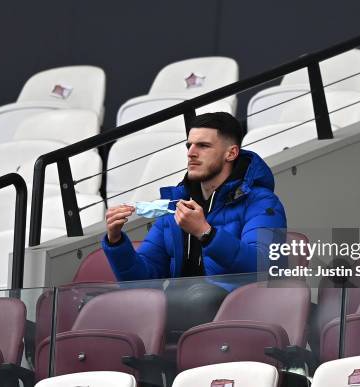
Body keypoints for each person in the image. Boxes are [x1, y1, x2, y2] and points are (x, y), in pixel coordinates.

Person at [101, 111, 287, 280]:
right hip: (182, 309)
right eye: (189, 146)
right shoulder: (176, 205)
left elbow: (265, 266)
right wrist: (116, 242)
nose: (191, 153)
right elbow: (142, 280)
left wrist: (206, 233)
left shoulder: (262, 202)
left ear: (231, 153)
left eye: (203, 146)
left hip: (236, 310)